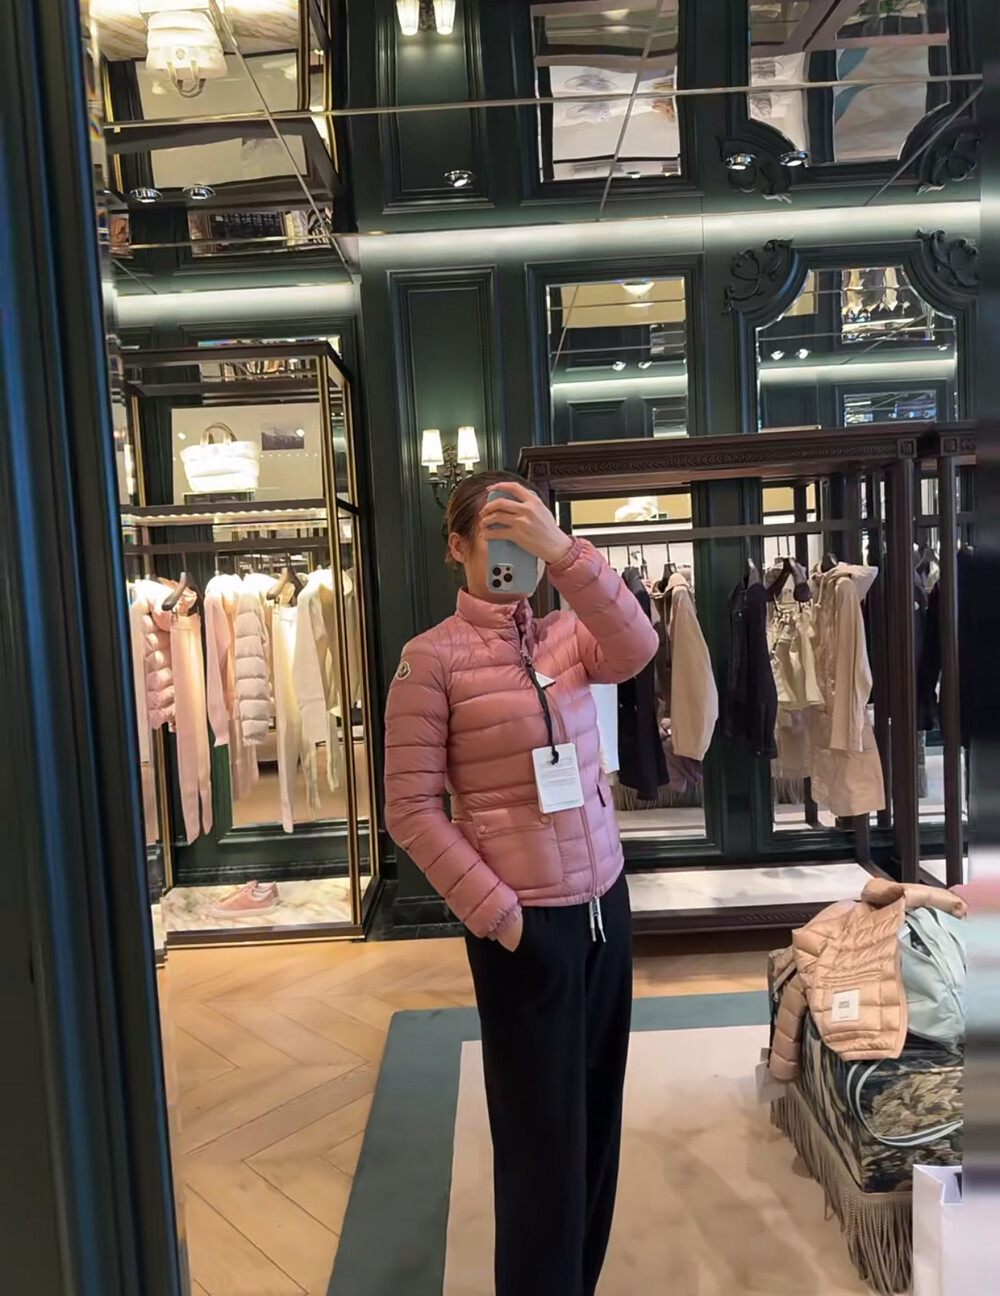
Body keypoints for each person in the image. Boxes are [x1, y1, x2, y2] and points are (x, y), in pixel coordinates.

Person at [384, 471, 658, 1296]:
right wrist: (503, 920)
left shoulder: (571, 636)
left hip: (605, 907)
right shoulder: (429, 661)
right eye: (499, 539)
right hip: (525, 929)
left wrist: (566, 553)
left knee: (596, 1122)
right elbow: (410, 810)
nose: (516, 558)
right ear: (458, 547)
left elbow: (639, 647)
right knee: (540, 1144)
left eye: (527, 536)